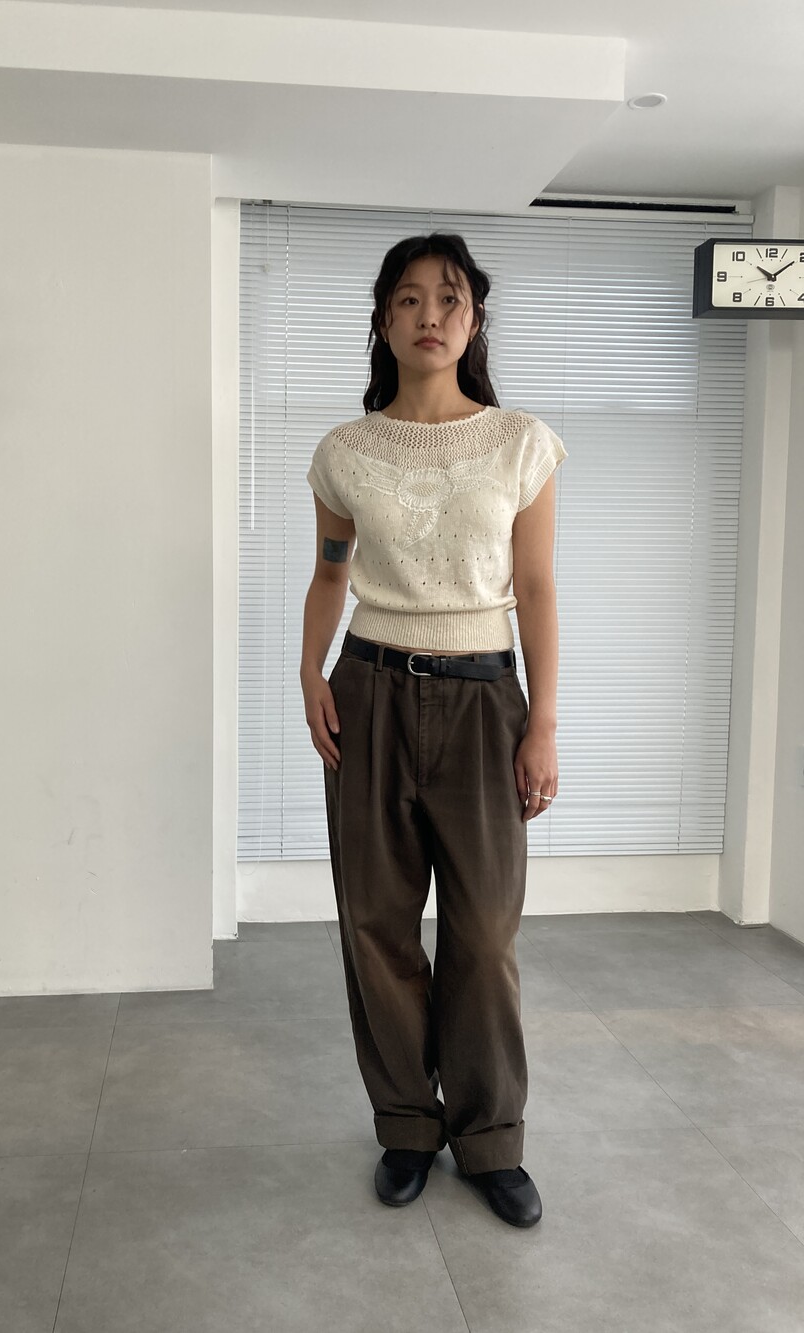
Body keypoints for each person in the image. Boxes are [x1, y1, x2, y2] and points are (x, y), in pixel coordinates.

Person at [300, 232, 566, 1228]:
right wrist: (308, 673)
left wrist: (543, 722)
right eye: (408, 299)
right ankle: (408, 1125)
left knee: (484, 933)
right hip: (367, 691)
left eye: (449, 298)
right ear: (382, 320)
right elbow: (330, 572)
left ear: (473, 319)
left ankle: (490, 1138)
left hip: (486, 701)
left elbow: (536, 587)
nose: (429, 316)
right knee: (375, 924)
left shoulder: (519, 442)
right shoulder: (346, 452)